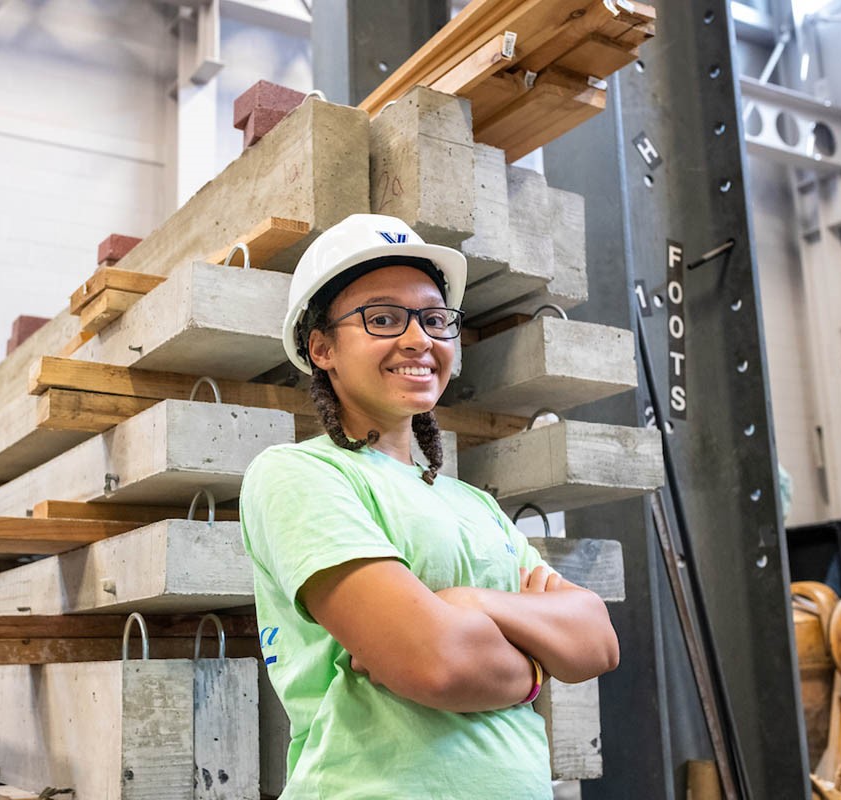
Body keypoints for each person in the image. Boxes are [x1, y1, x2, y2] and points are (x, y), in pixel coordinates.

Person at [239, 213, 620, 799]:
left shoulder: (475, 505)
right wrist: (537, 667)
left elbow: (596, 640)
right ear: (322, 348)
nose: (419, 340)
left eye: (435, 320)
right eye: (384, 318)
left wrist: (467, 604)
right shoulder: (299, 476)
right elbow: (436, 663)